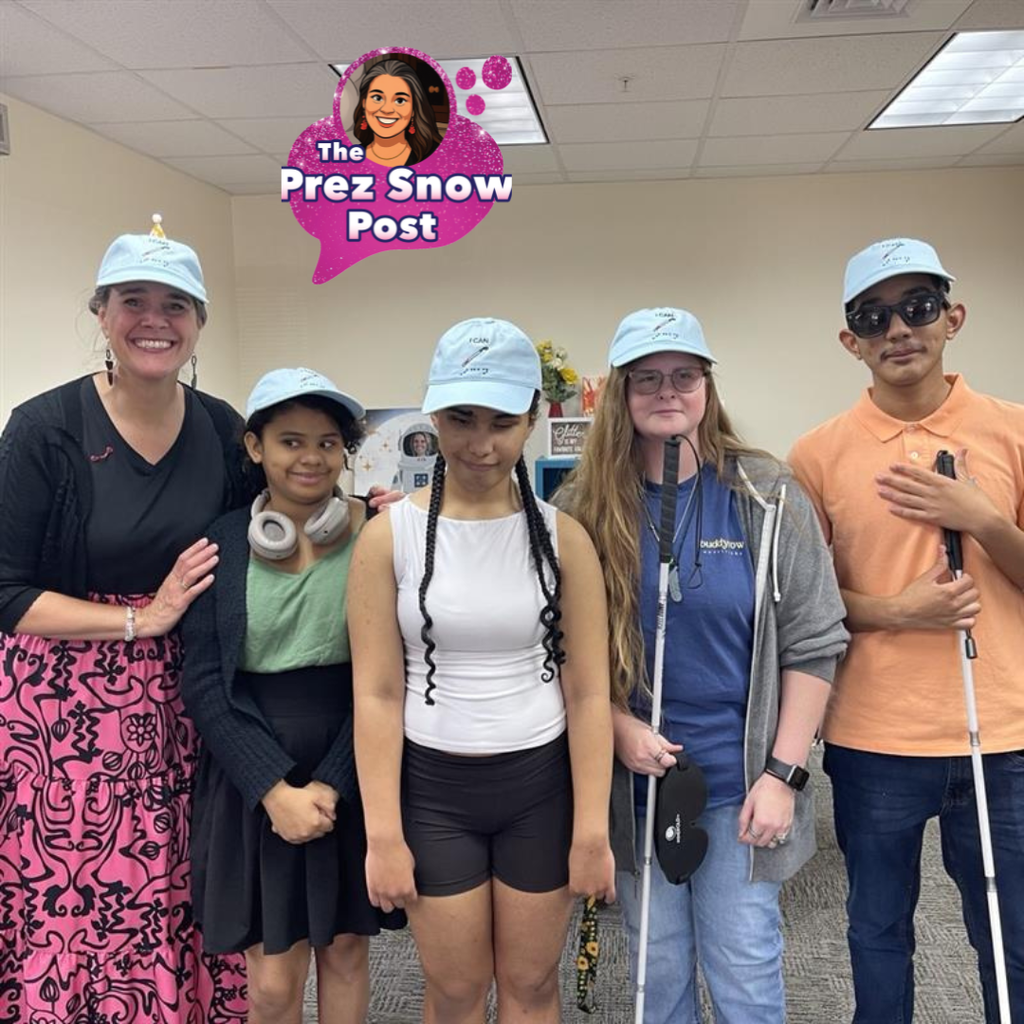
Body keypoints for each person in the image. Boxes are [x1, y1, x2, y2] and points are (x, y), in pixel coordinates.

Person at [558, 307, 848, 1024]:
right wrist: (616, 726)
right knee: (655, 971)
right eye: (647, 378)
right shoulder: (582, 505)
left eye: (684, 376)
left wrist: (782, 776)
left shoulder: (765, 493)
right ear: (620, 393)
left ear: (707, 387)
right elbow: (555, 645)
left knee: (744, 967)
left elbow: (814, 642)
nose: (668, 391)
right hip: (635, 788)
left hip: (740, 786)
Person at [0, 218, 248, 1021]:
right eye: (133, 301)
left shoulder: (223, 428)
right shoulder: (44, 429)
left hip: (188, 704)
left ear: (199, 322)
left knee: (183, 883)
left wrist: (368, 514)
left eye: (175, 305)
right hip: (64, 718)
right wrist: (146, 616)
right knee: (84, 901)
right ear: (101, 314)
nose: (154, 320)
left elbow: (272, 524)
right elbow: (7, 592)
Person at [349, 317, 616, 1024]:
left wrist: (592, 830)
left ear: (531, 420)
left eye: (502, 422)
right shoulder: (388, 538)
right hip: (434, 792)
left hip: (540, 788)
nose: (481, 444)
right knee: (457, 991)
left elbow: (590, 694)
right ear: (434, 415)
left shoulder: (565, 539)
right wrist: (383, 835)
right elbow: (376, 695)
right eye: (461, 419)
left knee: (531, 986)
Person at [788, 238, 1024, 1023]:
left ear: (952, 318)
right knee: (877, 931)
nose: (898, 329)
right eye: (873, 316)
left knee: (1011, 936)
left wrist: (981, 518)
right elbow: (803, 604)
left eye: (917, 307)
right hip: (874, 738)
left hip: (1003, 736)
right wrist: (899, 612)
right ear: (850, 340)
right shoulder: (816, 455)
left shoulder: (1013, 431)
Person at [180, 368, 404, 1024]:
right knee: (274, 981)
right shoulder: (219, 544)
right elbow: (205, 680)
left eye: (329, 443)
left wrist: (334, 782)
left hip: (353, 753)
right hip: (254, 770)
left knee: (346, 953)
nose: (312, 458)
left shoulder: (380, 531)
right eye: (291, 441)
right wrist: (273, 790)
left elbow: (393, 672)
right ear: (255, 447)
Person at [351, 58, 443, 168]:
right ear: (364, 103)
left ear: (414, 109)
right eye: (377, 98)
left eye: (400, 100)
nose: (387, 109)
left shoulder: (438, 156)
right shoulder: (347, 156)